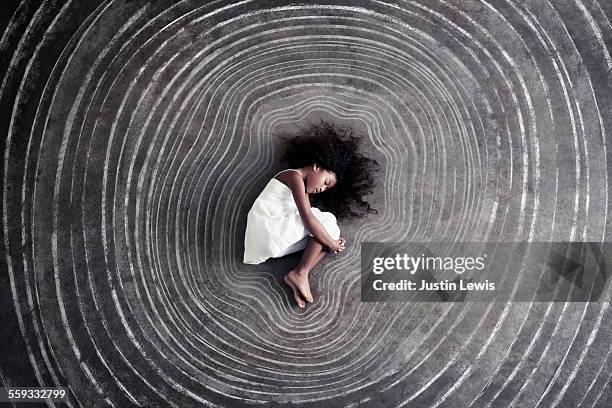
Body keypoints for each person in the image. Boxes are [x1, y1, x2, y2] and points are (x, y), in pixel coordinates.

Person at [243, 121, 379, 308]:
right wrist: (331, 244)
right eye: (325, 182)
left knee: (329, 231)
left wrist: (331, 240)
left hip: (274, 242)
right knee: (326, 222)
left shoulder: (303, 189)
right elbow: (307, 219)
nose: (322, 189)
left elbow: (312, 223)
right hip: (269, 228)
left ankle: (299, 274)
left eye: (325, 188)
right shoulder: (293, 176)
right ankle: (300, 272)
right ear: (316, 166)